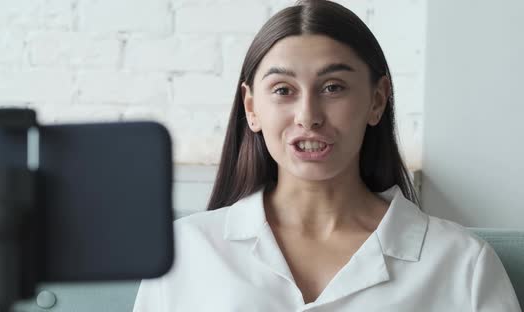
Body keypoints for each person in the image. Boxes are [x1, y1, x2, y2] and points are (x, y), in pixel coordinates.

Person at [133, 0, 521, 310]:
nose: (308, 116)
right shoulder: (184, 252)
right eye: (283, 90)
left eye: (333, 87)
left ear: (377, 100)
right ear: (252, 107)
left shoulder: (462, 265)